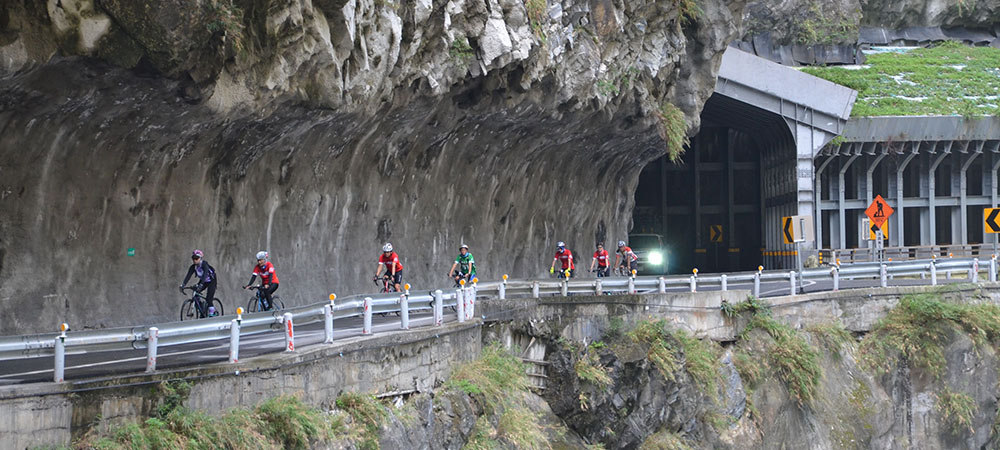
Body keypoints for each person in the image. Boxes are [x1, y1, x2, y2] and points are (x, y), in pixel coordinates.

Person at [180, 249, 218, 318]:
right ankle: (202, 310)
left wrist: (201, 284)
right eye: (193, 258)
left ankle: (212, 312)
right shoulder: (193, 267)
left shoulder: (204, 264)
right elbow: (188, 276)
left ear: (200, 258)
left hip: (211, 281)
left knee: (209, 298)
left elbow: (205, 274)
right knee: (195, 294)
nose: (195, 260)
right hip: (204, 281)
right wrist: (183, 285)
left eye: (196, 258)